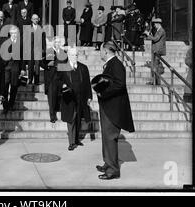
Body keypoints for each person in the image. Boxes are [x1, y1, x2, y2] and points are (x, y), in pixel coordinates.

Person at [95, 41, 135, 180]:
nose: (99, 53)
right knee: (107, 137)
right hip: (108, 106)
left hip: (113, 108)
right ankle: (108, 163)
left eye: (100, 50)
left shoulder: (116, 64)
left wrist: (103, 93)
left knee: (110, 137)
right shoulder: (111, 64)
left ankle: (113, 170)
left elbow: (119, 84)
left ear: (106, 51)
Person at [58, 47, 92, 150]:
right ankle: (71, 142)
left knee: (78, 119)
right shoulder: (63, 67)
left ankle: (76, 139)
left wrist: (89, 96)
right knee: (71, 119)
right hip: (69, 97)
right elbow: (57, 81)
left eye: (76, 55)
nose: (75, 57)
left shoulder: (83, 67)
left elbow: (87, 84)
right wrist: (62, 86)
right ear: (68, 55)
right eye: (72, 55)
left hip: (81, 98)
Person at [41, 36, 67, 123]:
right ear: (53, 43)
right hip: (51, 78)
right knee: (51, 97)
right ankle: (52, 116)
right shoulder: (49, 51)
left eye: (59, 42)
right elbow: (42, 63)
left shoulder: (63, 52)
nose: (57, 44)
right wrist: (48, 65)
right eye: (56, 42)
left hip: (60, 78)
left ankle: (57, 111)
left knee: (58, 96)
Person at [1, 26, 26, 113]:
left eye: (16, 33)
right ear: (10, 34)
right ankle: (5, 105)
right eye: (13, 33)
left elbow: (23, 57)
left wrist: (23, 68)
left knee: (14, 86)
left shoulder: (21, 43)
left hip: (16, 66)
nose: (15, 35)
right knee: (5, 85)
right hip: (7, 66)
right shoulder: (5, 42)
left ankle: (11, 104)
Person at [144, 18, 166, 85]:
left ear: (158, 24)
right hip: (155, 50)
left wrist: (148, 34)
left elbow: (155, 39)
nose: (154, 26)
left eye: (155, 24)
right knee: (154, 66)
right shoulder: (158, 30)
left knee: (155, 66)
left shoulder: (161, 31)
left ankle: (156, 82)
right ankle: (154, 81)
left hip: (158, 51)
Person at [27, 14, 45, 85]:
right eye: (34, 19)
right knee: (30, 65)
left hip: (38, 49)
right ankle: (30, 80)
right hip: (30, 49)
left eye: (37, 19)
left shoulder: (41, 28)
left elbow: (43, 40)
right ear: (31, 19)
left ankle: (37, 81)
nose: (36, 20)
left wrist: (44, 49)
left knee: (37, 65)